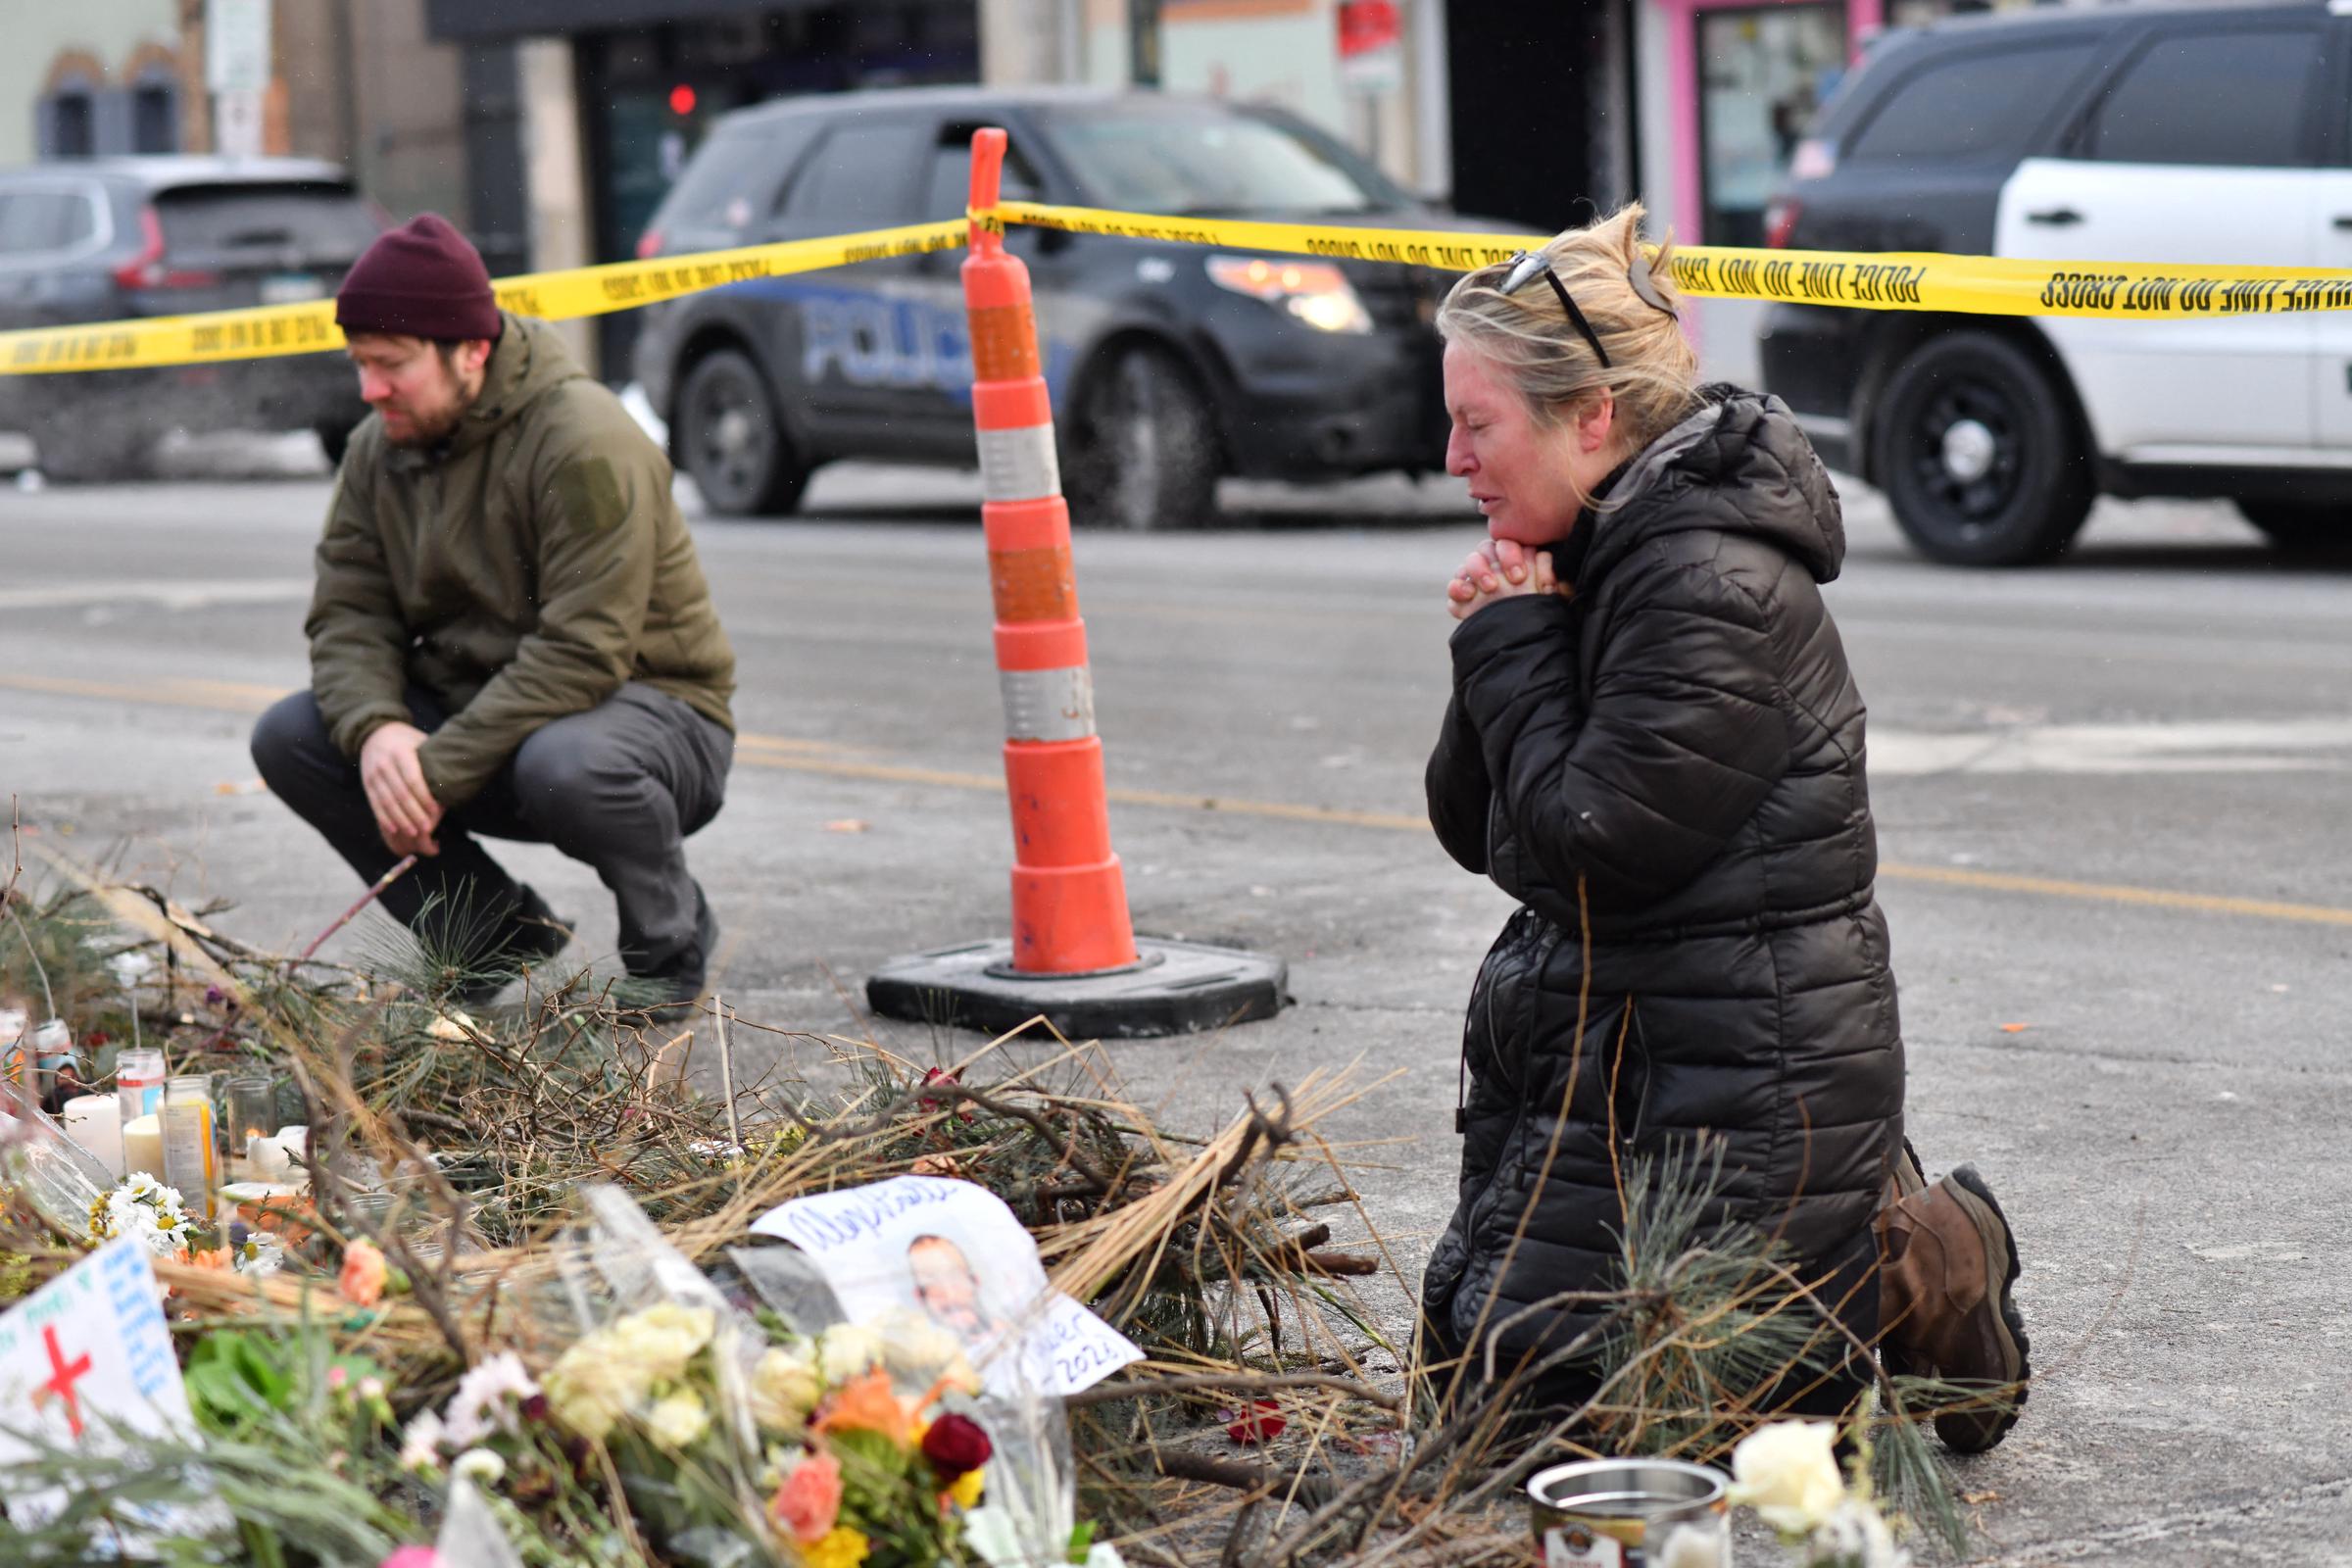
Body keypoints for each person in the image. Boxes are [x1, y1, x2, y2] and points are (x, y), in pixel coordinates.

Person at [1417, 205, 2029, 1451]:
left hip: (1740, 1072)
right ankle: (1863, 1252)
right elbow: (1476, 828)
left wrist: (1513, 647)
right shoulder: (1586, 549)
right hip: (1621, 1045)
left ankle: (1920, 1263)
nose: (1451, 456)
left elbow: (1590, 841)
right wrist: (1501, 636)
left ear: (1591, 419)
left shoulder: (1708, 579)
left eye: (1478, 424)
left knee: (1607, 1436)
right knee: (1476, 1398)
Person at [250, 215, 737, 1011]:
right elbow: (348, 615)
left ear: (470, 351)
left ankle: (669, 943)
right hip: (497, 715)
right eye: (360, 364)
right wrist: (378, 732)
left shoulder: (583, 440)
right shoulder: (381, 447)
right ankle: (490, 934)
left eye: (392, 366)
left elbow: (584, 652)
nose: (370, 390)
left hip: (650, 718)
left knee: (567, 765)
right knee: (294, 737)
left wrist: (432, 772)